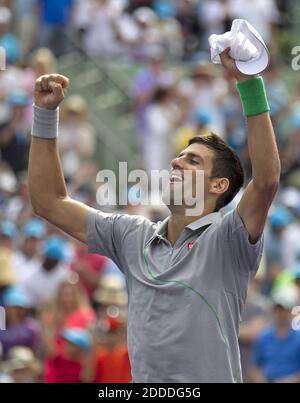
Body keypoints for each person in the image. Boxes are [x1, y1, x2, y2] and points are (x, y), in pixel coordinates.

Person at [28, 47, 280, 382]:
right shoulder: (133, 235)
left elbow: (265, 182)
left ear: (219, 185)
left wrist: (248, 81)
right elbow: (48, 201)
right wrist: (45, 116)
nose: (176, 162)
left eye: (193, 161)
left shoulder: (228, 238)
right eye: (179, 156)